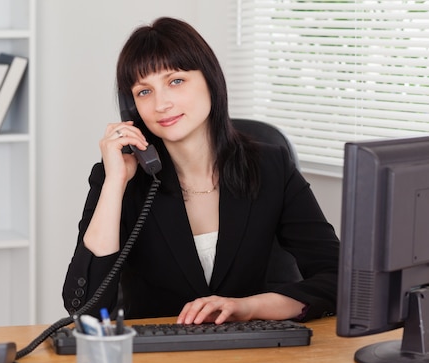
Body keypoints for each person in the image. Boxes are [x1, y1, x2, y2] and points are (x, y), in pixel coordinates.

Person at [62, 17, 339, 325]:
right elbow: (84, 306)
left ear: (210, 80)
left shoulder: (270, 166)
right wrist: (115, 183)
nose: (161, 104)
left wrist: (249, 307)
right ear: (132, 109)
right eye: (144, 92)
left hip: (253, 356)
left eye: (175, 81)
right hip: (159, 360)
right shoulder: (121, 177)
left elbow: (340, 277)